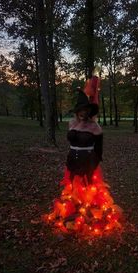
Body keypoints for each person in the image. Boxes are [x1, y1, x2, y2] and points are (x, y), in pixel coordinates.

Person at [45, 85, 122, 235]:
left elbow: (99, 149)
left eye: (86, 110)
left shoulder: (95, 127)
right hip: (72, 159)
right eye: (81, 110)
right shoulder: (71, 123)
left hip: (88, 161)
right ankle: (72, 210)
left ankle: (89, 213)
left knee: (89, 187)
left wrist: (95, 161)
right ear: (77, 112)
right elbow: (72, 142)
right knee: (73, 186)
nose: (83, 113)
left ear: (88, 112)